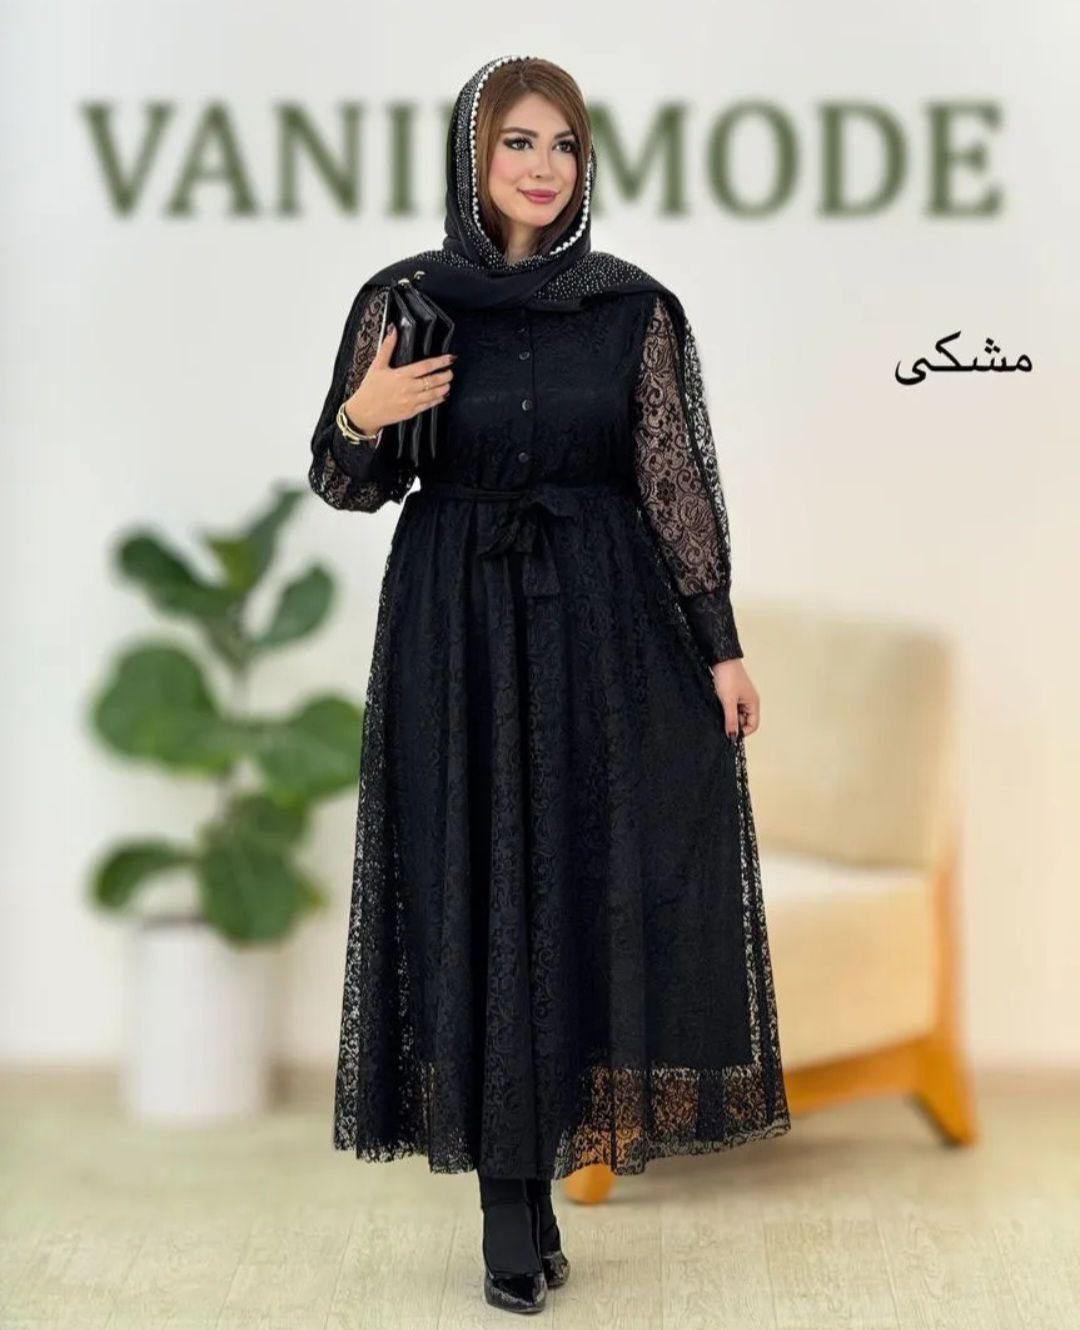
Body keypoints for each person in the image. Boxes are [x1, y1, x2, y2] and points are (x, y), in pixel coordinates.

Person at [307, 53, 791, 1315]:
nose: (542, 165)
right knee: (474, 888)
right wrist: (363, 412)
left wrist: (720, 643)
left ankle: (539, 1184)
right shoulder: (405, 299)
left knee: (573, 886)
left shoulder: (634, 310)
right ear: (473, 157)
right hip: (454, 628)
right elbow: (350, 484)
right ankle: (508, 1215)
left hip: (598, 626)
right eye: (517, 142)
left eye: (564, 144)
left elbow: (675, 488)